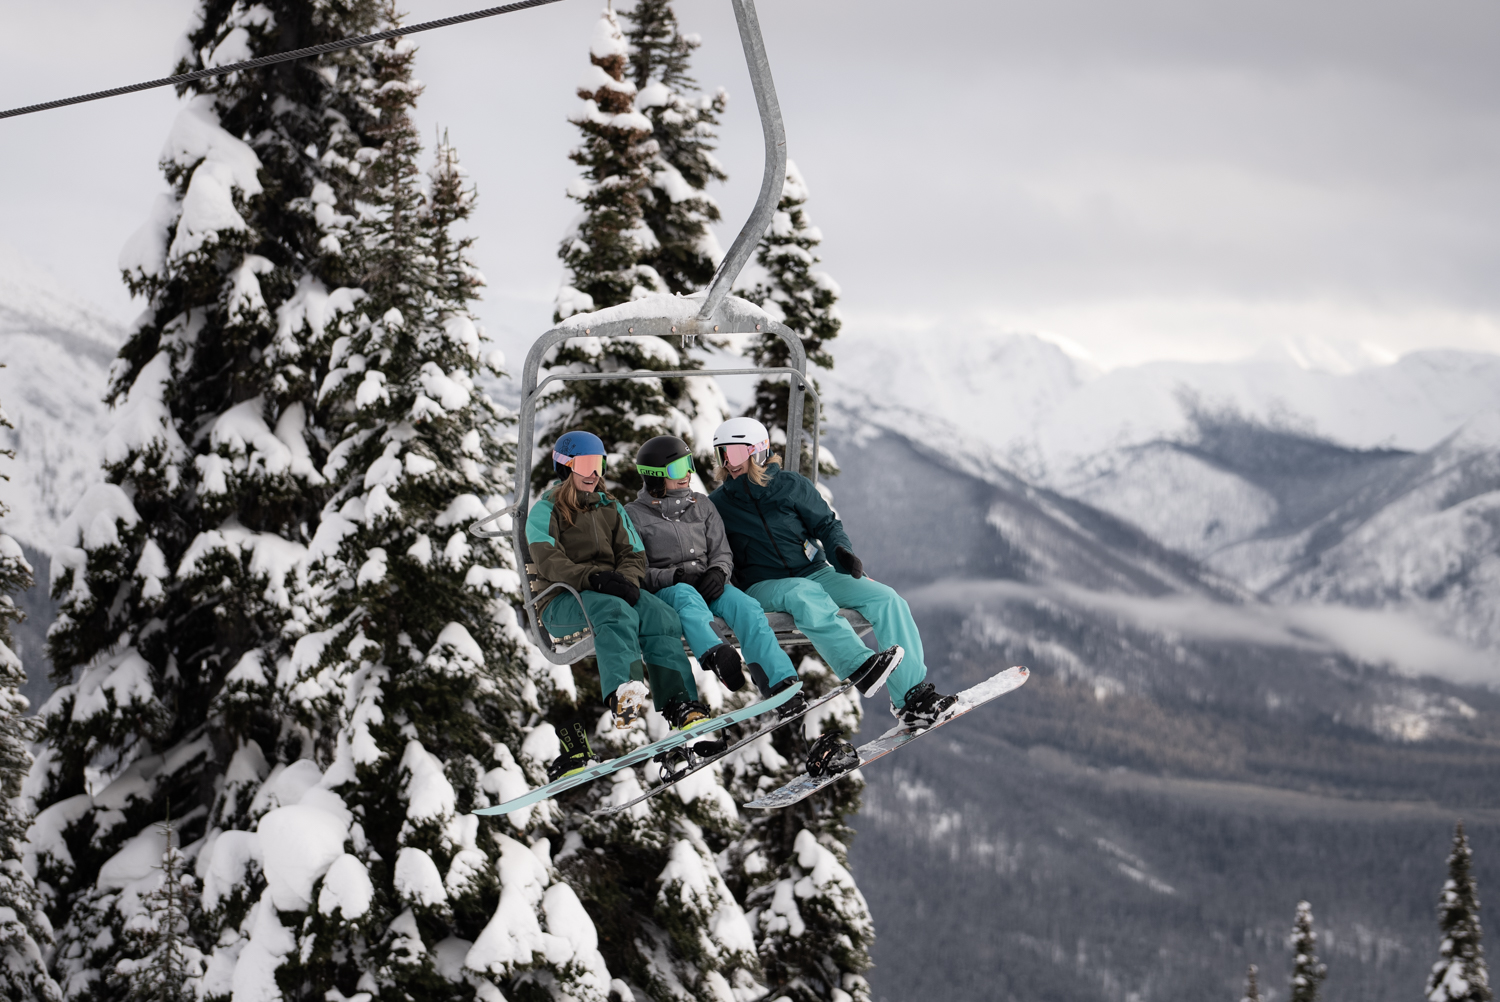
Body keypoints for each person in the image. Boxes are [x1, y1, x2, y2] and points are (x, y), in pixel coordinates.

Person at [708, 418, 959, 740]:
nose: (728, 463)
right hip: (763, 585)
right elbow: (715, 552)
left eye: (734, 453)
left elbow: (826, 524)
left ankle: (913, 699)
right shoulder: (718, 505)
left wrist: (841, 551)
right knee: (801, 593)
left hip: (815, 571)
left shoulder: (791, 485)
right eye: (722, 455)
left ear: (757, 452)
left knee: (886, 599)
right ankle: (859, 666)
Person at [526, 430, 714, 778]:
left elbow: (633, 552)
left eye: (598, 464)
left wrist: (626, 580)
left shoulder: (609, 507)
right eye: (585, 464)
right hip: (563, 602)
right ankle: (623, 693)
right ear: (565, 467)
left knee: (661, 615)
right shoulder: (546, 509)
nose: (593, 473)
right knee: (615, 612)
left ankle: (679, 702)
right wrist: (594, 578)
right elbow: (548, 559)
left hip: (612, 591)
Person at [623, 435, 807, 719]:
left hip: (710, 584)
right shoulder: (634, 515)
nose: (687, 474)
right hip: (671, 590)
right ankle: (718, 655)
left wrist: (718, 572)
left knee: (746, 607)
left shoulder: (703, 505)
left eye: (688, 464)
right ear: (655, 476)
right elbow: (638, 570)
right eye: (677, 468)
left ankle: (780, 683)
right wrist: (675, 576)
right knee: (687, 598)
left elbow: (722, 551)